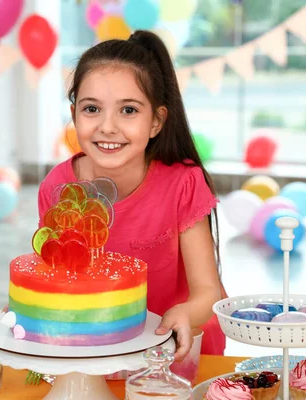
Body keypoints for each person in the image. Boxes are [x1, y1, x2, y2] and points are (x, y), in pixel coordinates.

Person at [38, 30, 226, 360]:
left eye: (128, 111)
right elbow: (55, 281)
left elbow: (207, 291)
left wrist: (185, 314)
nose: (107, 127)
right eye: (92, 109)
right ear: (73, 115)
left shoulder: (183, 183)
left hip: (175, 350)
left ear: (156, 121)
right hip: (97, 353)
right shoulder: (56, 187)